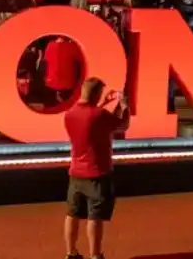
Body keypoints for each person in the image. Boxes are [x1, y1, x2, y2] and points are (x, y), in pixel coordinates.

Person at [64, 77, 130, 259]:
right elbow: (123, 124)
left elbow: (90, 119)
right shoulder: (99, 115)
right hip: (97, 173)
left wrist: (103, 103)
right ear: (96, 94)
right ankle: (95, 255)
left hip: (76, 173)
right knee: (95, 218)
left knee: (72, 214)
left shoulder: (70, 114)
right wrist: (124, 105)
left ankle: (71, 253)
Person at [43, 36, 84, 105]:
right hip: (67, 84)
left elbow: (46, 60)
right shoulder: (72, 47)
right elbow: (81, 61)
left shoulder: (50, 45)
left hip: (51, 82)